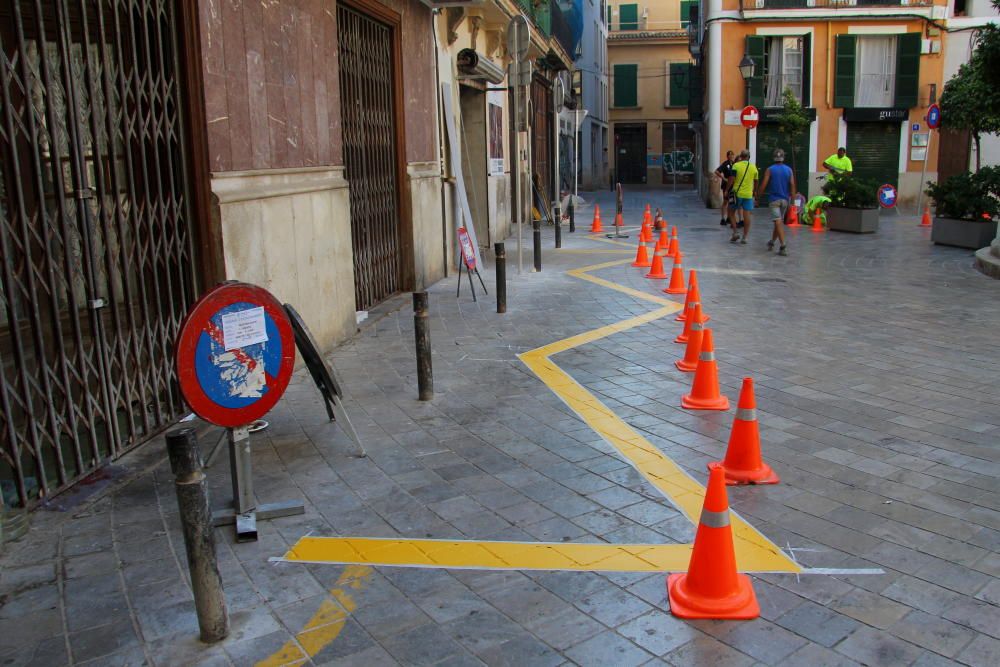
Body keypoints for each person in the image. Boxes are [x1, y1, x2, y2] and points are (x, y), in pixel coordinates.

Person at [757, 149, 796, 257]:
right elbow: (792, 185)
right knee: (778, 222)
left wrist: (758, 197)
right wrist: (792, 201)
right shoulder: (789, 170)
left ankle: (783, 246)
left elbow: (764, 184)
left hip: (774, 200)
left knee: (778, 222)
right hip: (785, 200)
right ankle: (772, 242)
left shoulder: (770, 170)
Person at [727, 149, 758, 244]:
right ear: (749, 157)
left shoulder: (736, 165)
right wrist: (754, 192)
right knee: (747, 215)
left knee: (731, 212)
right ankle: (744, 237)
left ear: (740, 156)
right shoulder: (753, 167)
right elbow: (756, 181)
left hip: (737, 194)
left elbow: (731, 179)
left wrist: (727, 189)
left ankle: (735, 232)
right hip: (748, 195)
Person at [714, 151, 735, 226]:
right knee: (725, 201)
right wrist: (723, 178)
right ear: (727, 156)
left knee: (731, 202)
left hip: (733, 185)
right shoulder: (725, 164)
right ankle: (723, 218)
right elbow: (716, 171)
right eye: (730, 155)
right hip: (726, 185)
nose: (731, 156)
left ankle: (729, 217)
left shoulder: (735, 164)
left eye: (732, 155)